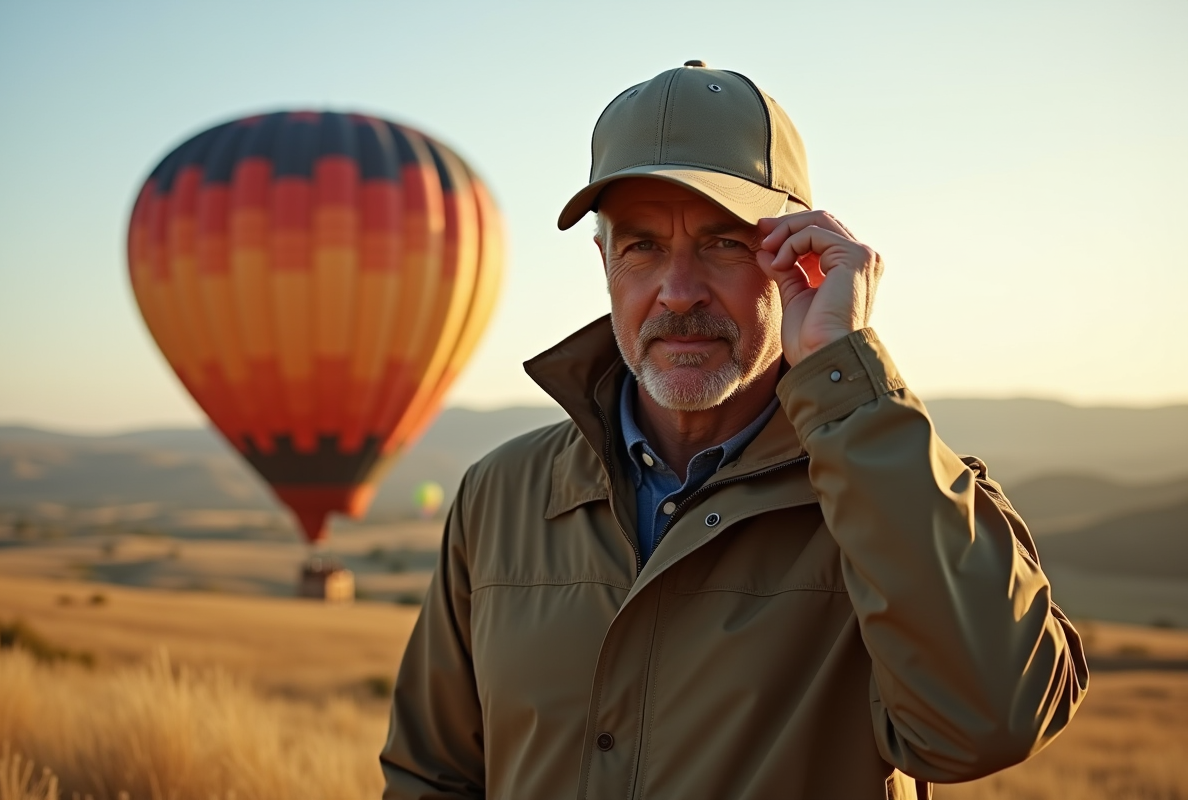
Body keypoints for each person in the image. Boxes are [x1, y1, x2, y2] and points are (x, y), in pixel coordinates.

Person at [380, 61, 1089, 800]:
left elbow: (992, 724)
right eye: (643, 246)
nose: (679, 291)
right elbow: (430, 774)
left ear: (802, 257)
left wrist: (845, 378)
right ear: (604, 261)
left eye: (726, 243)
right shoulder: (500, 494)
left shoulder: (896, 491)